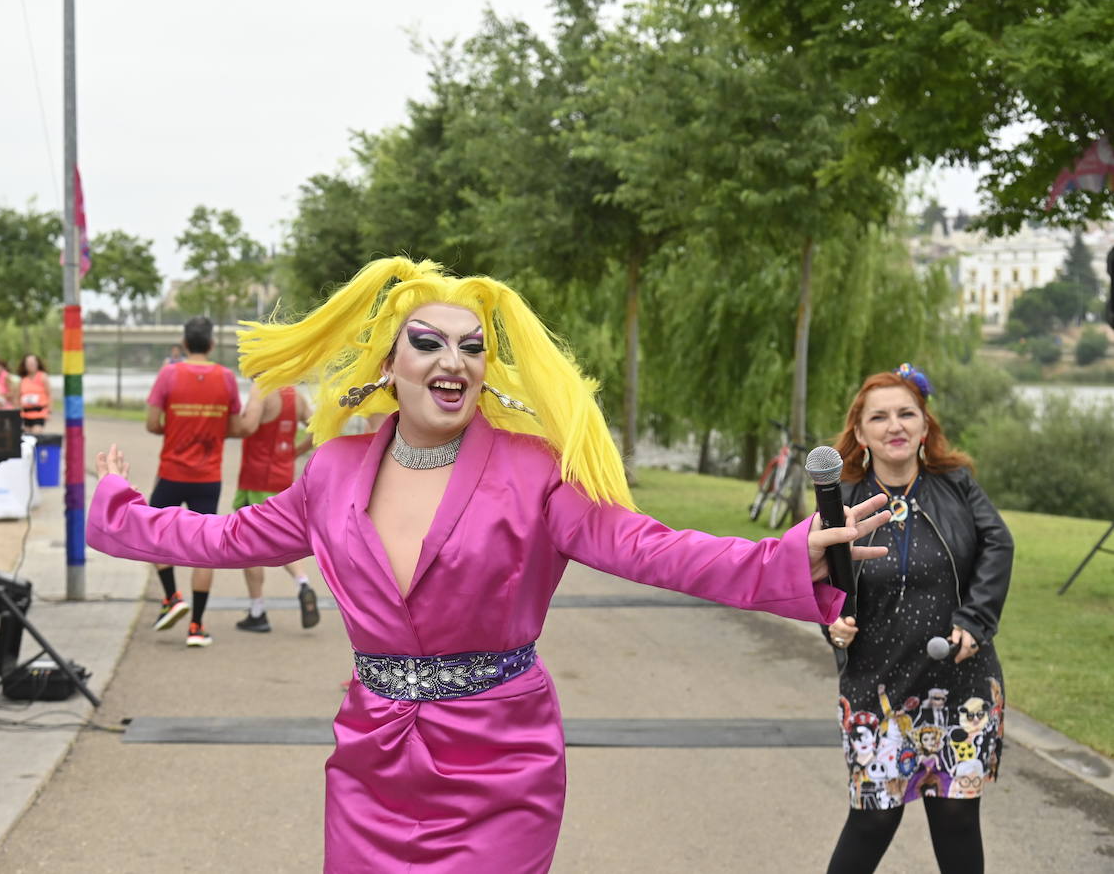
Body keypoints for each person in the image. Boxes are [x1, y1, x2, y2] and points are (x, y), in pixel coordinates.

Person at [88, 257, 890, 871]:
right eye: (429, 343)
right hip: (372, 761)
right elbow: (221, 540)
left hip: (501, 760)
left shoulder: (531, 467)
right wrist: (118, 504)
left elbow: (645, 547)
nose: (455, 361)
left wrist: (785, 558)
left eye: (473, 347)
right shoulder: (330, 472)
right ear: (386, 364)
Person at [822, 364, 1012, 874]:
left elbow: (998, 543)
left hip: (961, 681)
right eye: (879, 417)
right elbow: (820, 577)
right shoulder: (839, 500)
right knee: (872, 820)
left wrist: (975, 620)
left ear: (924, 426)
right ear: (860, 433)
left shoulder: (957, 485)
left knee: (955, 817)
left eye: (907, 413)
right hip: (876, 686)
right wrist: (831, 621)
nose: (895, 425)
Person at [143, 316, 250, 647]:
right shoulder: (227, 378)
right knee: (204, 548)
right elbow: (234, 427)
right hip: (208, 477)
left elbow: (151, 423)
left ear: (185, 343)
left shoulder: (169, 374)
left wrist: (174, 429)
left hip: (172, 472)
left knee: (154, 533)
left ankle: (172, 596)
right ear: (213, 344)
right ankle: (196, 627)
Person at [231, 384, 320, 633]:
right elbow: (317, 429)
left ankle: (257, 610)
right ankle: (303, 582)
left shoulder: (262, 390)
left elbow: (248, 427)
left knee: (247, 541)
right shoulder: (295, 395)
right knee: (279, 535)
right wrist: (294, 452)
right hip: (282, 475)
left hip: (256, 477)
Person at [17, 353, 51, 431]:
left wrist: (49, 411)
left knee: (36, 434)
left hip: (39, 413)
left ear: (37, 364)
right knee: (27, 437)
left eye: (32, 364)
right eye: (28, 364)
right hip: (25, 414)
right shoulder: (23, 379)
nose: (30, 366)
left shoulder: (43, 377)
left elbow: (49, 394)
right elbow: (18, 396)